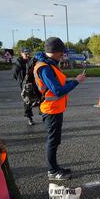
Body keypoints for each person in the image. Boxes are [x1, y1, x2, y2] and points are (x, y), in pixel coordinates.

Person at [34, 37, 86, 181]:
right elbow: (57, 90)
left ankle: (55, 167)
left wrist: (74, 80)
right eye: (62, 52)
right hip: (51, 110)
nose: (62, 55)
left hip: (55, 108)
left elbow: (59, 84)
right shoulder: (44, 67)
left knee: (55, 140)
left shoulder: (50, 64)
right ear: (56, 52)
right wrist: (76, 81)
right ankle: (52, 171)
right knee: (52, 141)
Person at [12, 48, 35, 126]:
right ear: (21, 54)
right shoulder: (18, 63)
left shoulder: (32, 61)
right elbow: (14, 74)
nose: (28, 55)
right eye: (26, 54)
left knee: (40, 97)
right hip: (25, 84)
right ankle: (29, 117)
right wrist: (21, 81)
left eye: (29, 53)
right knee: (27, 100)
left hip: (34, 82)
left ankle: (43, 114)